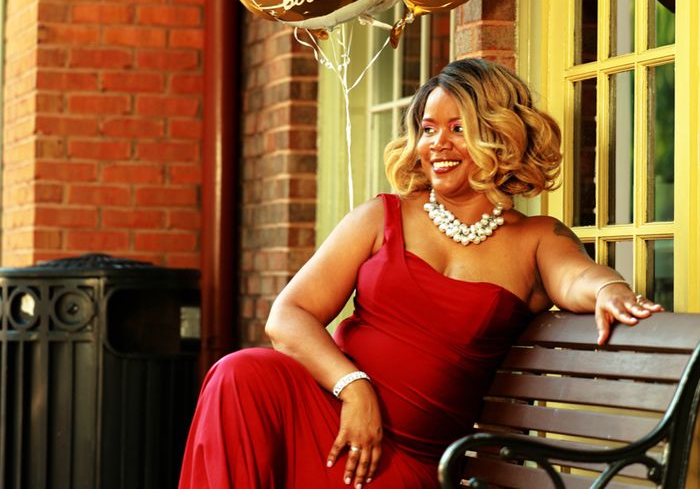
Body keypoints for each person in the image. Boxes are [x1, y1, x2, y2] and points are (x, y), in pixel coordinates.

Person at [178, 58, 662, 489]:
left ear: (498, 134)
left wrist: (609, 289)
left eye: (457, 128)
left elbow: (577, 278)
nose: (438, 144)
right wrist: (354, 387)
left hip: (409, 462)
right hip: (336, 418)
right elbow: (288, 315)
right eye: (428, 129)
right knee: (237, 374)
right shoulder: (381, 217)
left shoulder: (534, 238)